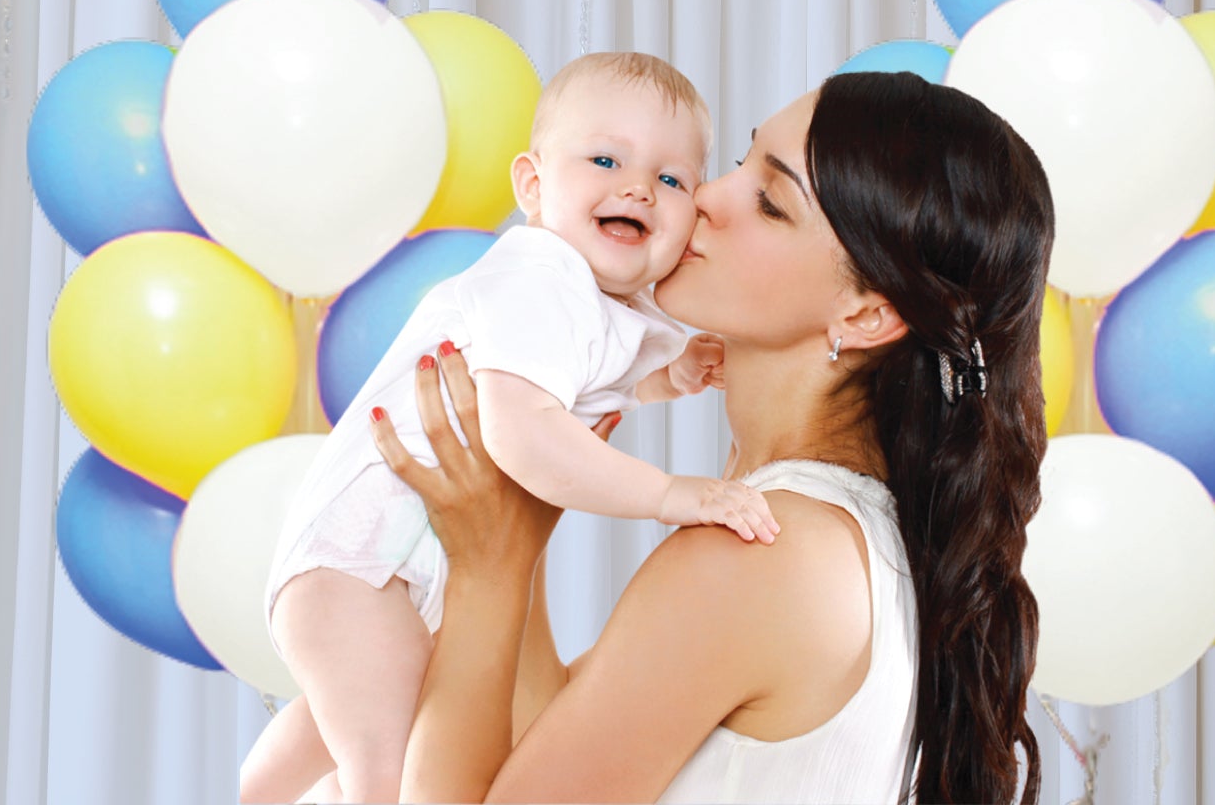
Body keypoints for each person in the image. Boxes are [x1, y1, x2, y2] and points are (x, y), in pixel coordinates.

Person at [371, 69, 1055, 805]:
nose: (702, 197)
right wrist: (520, 524)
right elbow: (544, 750)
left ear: (865, 315)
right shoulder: (842, 538)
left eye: (770, 201)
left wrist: (488, 572)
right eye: (738, 161)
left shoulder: (761, 553)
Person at [240, 52, 780, 805]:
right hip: (357, 563)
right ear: (532, 185)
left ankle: (259, 790)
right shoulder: (538, 276)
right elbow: (523, 434)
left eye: (670, 179)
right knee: (387, 772)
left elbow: (587, 383)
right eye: (604, 160)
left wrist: (671, 375)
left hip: (390, 570)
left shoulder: (596, 302)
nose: (636, 187)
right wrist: (669, 495)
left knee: (369, 706)